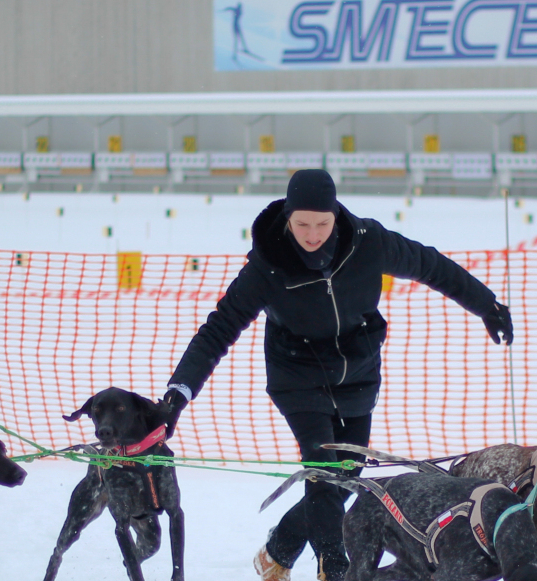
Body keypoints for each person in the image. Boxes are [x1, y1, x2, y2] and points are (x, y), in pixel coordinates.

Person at [156, 169, 513, 581]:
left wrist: (486, 304)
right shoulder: (267, 266)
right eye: (302, 223)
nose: (313, 234)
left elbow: (430, 265)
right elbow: (220, 326)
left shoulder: (368, 243)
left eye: (322, 223)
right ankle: (335, 567)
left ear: (335, 214)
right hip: (297, 375)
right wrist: (178, 392)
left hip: (358, 373)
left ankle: (278, 550)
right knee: (323, 470)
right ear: (288, 217)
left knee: (345, 478)